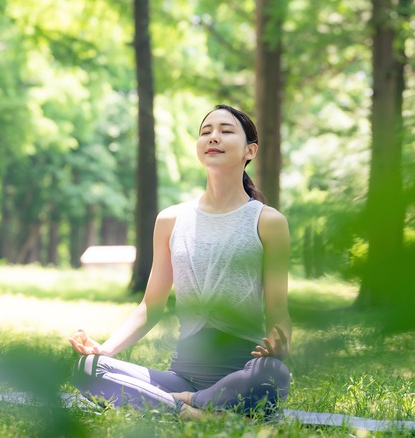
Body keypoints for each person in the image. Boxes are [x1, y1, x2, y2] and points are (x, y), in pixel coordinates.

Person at [68, 104, 292, 418]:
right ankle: (192, 411)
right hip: (181, 374)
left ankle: (182, 402)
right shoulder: (171, 220)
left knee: (273, 376)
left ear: (249, 151)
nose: (213, 137)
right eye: (206, 132)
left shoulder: (269, 222)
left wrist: (280, 346)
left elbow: (279, 312)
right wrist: (104, 349)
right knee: (88, 367)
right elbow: (150, 306)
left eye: (226, 131)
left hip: (242, 372)